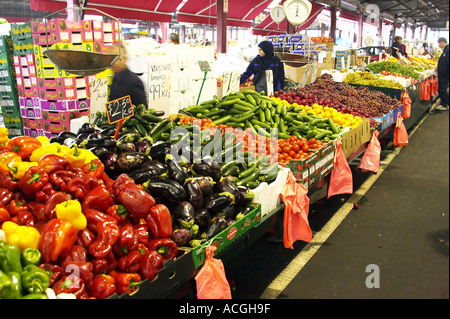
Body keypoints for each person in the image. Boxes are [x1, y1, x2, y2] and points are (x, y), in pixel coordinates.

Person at [435, 37, 449, 111]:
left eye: (439, 44)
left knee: (442, 89)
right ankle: (445, 103)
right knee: (442, 89)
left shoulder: (447, 50)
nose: (439, 45)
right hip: (443, 74)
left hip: (445, 74)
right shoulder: (446, 50)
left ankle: (444, 104)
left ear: (442, 42)